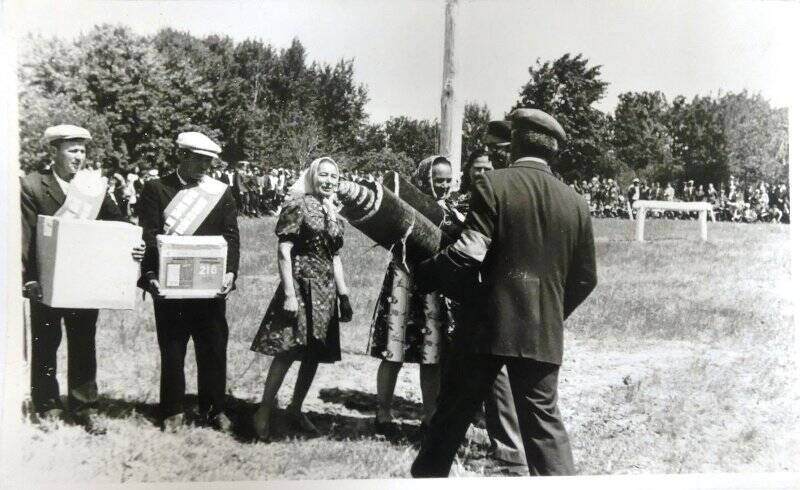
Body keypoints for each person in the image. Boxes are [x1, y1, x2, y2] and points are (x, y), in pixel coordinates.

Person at [410, 108, 597, 477]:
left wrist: (426, 273)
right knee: (545, 428)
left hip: (485, 328)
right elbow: (585, 278)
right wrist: (550, 313)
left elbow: (468, 253)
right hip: (542, 331)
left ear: (515, 145)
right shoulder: (576, 202)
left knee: (449, 422)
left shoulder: (493, 185)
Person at [20, 124, 145, 434]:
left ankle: (83, 405)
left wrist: (134, 241)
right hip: (47, 283)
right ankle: (47, 403)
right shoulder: (33, 186)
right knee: (46, 343)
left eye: (83, 150)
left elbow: (118, 222)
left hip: (85, 281)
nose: (79, 157)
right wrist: (30, 279)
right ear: (54, 151)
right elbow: (25, 236)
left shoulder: (93, 188)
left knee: (83, 343)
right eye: (72, 150)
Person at [138, 131, 240, 433]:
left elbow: (232, 237)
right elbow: (148, 235)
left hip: (209, 287)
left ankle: (214, 409)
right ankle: (171, 410)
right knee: (172, 349)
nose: (206, 168)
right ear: (182, 156)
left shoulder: (219, 192)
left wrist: (230, 273)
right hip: (170, 286)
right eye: (200, 161)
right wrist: (151, 276)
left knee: (214, 347)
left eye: (209, 162)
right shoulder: (156, 188)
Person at [250, 157, 353, 441]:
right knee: (287, 351)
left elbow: (335, 257)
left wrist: (343, 296)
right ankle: (263, 412)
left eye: (334, 176)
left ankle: (295, 408)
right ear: (312, 176)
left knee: (314, 354)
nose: (329, 181)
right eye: (323, 175)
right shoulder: (298, 204)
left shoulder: (333, 212)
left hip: (325, 291)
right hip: (300, 285)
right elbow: (284, 252)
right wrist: (289, 295)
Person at [368, 155, 457, 435]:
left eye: (447, 180)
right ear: (424, 178)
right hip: (403, 281)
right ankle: (383, 414)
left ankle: (430, 416)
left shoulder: (453, 211)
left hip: (433, 287)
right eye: (437, 179)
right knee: (393, 350)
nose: (443, 185)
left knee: (432, 354)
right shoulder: (403, 205)